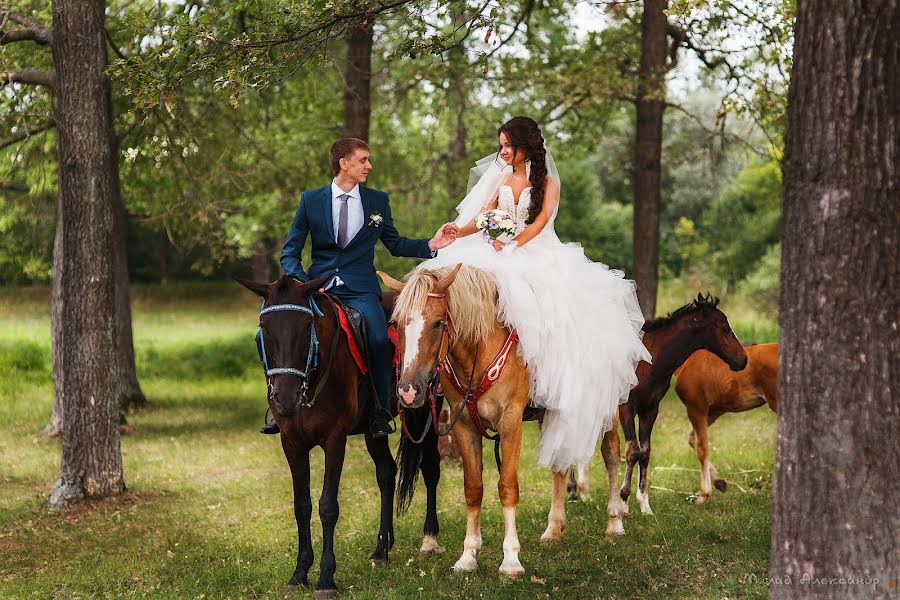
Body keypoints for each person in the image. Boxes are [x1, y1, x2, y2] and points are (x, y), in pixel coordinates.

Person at [422, 116, 651, 471]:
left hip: (535, 250)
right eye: (501, 146)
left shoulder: (548, 181)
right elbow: (484, 218)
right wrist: (459, 231)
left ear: (525, 144)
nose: (503, 152)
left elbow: (542, 221)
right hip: (496, 247)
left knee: (544, 308)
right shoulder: (498, 177)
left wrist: (514, 243)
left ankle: (539, 380)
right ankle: (458, 376)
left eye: (508, 146)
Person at [264, 137, 459, 437]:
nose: (369, 165)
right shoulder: (310, 200)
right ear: (344, 163)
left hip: (361, 290)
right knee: (282, 336)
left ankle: (380, 411)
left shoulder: (376, 201)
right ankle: (281, 408)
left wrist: (432, 244)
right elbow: (290, 251)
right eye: (363, 159)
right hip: (318, 289)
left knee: (380, 341)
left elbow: (394, 243)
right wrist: (301, 282)